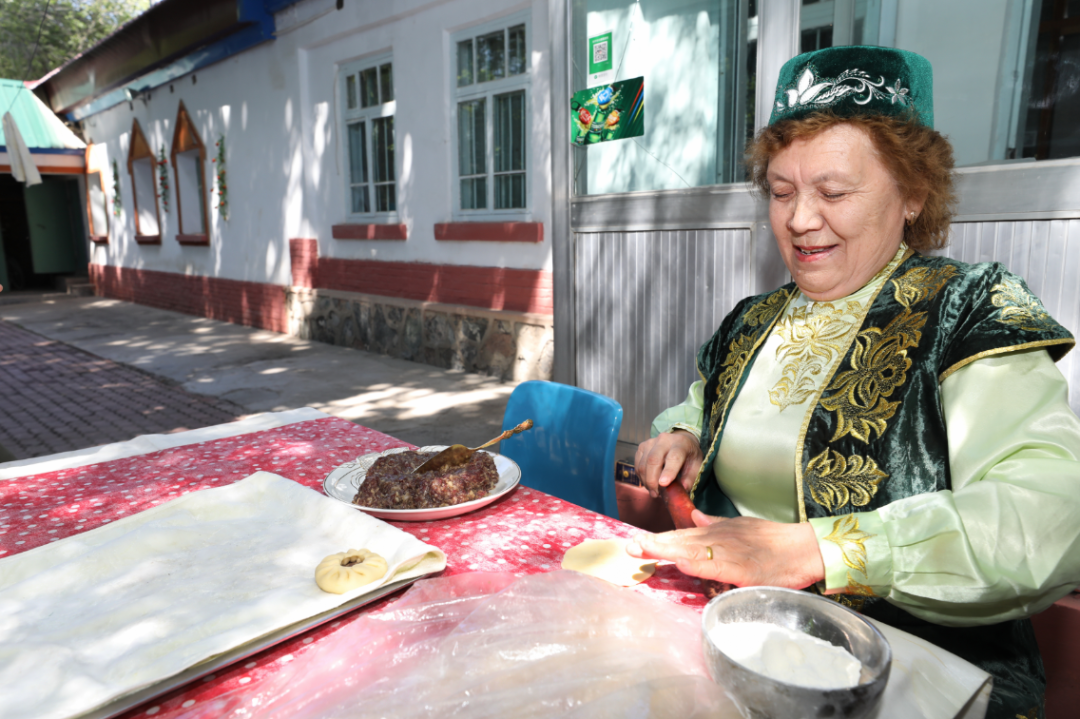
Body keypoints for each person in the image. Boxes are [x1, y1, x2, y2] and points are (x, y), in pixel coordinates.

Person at [627, 46, 1080, 719]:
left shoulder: (968, 310)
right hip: (742, 646)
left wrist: (822, 549)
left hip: (915, 673)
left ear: (912, 194)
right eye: (781, 192)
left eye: (833, 192)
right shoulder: (754, 320)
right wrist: (685, 434)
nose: (800, 219)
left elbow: (1050, 520)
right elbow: (704, 406)